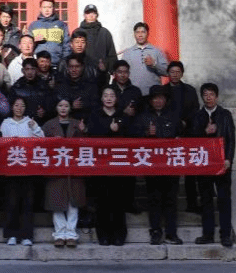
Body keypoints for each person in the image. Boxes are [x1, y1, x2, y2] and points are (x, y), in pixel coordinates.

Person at [84, 85, 133, 245]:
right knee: (102, 201)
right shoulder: (95, 115)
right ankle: (103, 235)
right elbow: (92, 135)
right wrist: (109, 129)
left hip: (119, 164)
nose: (109, 98)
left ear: (116, 99)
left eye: (112, 95)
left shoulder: (123, 116)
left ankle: (119, 235)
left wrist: (118, 130)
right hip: (100, 164)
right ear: (101, 98)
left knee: (118, 201)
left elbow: (130, 137)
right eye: (106, 95)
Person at [192, 82, 236, 247]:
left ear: (216, 97)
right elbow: (192, 139)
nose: (208, 97)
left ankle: (225, 235)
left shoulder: (225, 115)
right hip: (204, 163)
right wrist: (204, 132)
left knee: (224, 199)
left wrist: (228, 159)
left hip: (222, 164)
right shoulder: (198, 116)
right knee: (206, 200)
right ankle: (208, 234)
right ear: (202, 97)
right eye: (205, 95)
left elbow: (231, 139)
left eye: (211, 94)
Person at [137, 85, 182, 245]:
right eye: (155, 98)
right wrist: (146, 134)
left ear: (165, 100)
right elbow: (134, 139)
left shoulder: (174, 116)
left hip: (171, 165)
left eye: (161, 98)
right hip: (152, 165)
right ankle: (155, 231)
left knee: (171, 200)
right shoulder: (143, 117)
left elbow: (181, 136)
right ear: (150, 101)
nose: (158, 101)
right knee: (154, 199)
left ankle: (171, 233)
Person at [0, 96, 43, 245]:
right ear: (12, 107)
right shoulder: (6, 123)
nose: (19, 108)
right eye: (16, 105)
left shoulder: (30, 122)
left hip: (27, 167)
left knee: (27, 202)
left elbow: (42, 140)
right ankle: (11, 234)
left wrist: (35, 127)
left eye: (22, 105)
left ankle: (27, 236)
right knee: (12, 201)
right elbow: (0, 143)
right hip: (11, 167)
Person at [42, 97, 86, 247]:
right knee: (57, 202)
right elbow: (40, 145)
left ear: (70, 108)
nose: (63, 108)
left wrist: (83, 131)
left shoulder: (77, 124)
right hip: (56, 168)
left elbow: (86, 146)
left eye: (66, 106)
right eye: (60, 105)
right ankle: (60, 234)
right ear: (56, 107)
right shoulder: (49, 125)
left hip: (74, 168)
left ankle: (71, 234)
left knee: (73, 202)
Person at [165, 60, 201, 212]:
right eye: (172, 72)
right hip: (168, 135)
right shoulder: (162, 90)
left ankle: (192, 204)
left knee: (190, 172)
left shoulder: (190, 90)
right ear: (168, 73)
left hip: (188, 132)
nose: (175, 74)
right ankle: (169, 205)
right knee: (169, 171)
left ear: (182, 74)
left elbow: (195, 110)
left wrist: (186, 122)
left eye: (177, 72)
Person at [120, 21, 168, 94]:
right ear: (134, 34)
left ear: (148, 33)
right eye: (137, 32)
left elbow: (167, 72)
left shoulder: (157, 51)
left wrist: (154, 64)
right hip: (133, 94)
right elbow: (121, 74)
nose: (140, 35)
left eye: (143, 32)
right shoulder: (127, 53)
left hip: (153, 95)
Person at [75, 5, 118, 79]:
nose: (91, 15)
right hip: (81, 75)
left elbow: (112, 54)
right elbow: (72, 53)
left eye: (93, 13)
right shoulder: (77, 32)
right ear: (84, 15)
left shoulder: (105, 33)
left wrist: (113, 70)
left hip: (101, 74)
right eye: (88, 13)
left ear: (97, 15)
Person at [9, 57, 54, 122]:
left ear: (37, 70)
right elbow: (11, 109)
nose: (30, 72)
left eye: (32, 69)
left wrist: (44, 112)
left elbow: (51, 106)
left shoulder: (44, 86)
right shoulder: (16, 88)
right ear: (23, 71)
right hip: (21, 122)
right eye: (27, 69)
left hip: (40, 122)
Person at [55, 53, 97, 121]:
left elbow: (95, 106)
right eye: (71, 67)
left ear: (82, 67)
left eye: (77, 66)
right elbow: (55, 106)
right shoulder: (60, 86)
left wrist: (83, 105)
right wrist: (71, 106)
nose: (74, 70)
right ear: (67, 68)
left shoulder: (91, 86)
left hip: (86, 121)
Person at [27, 0, 68, 65]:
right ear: (40, 9)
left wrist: (64, 61)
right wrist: (34, 40)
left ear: (54, 8)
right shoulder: (34, 25)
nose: (47, 10)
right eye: (44, 7)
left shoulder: (61, 25)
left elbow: (66, 45)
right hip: (38, 64)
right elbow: (27, 45)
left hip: (57, 63)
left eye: (49, 7)